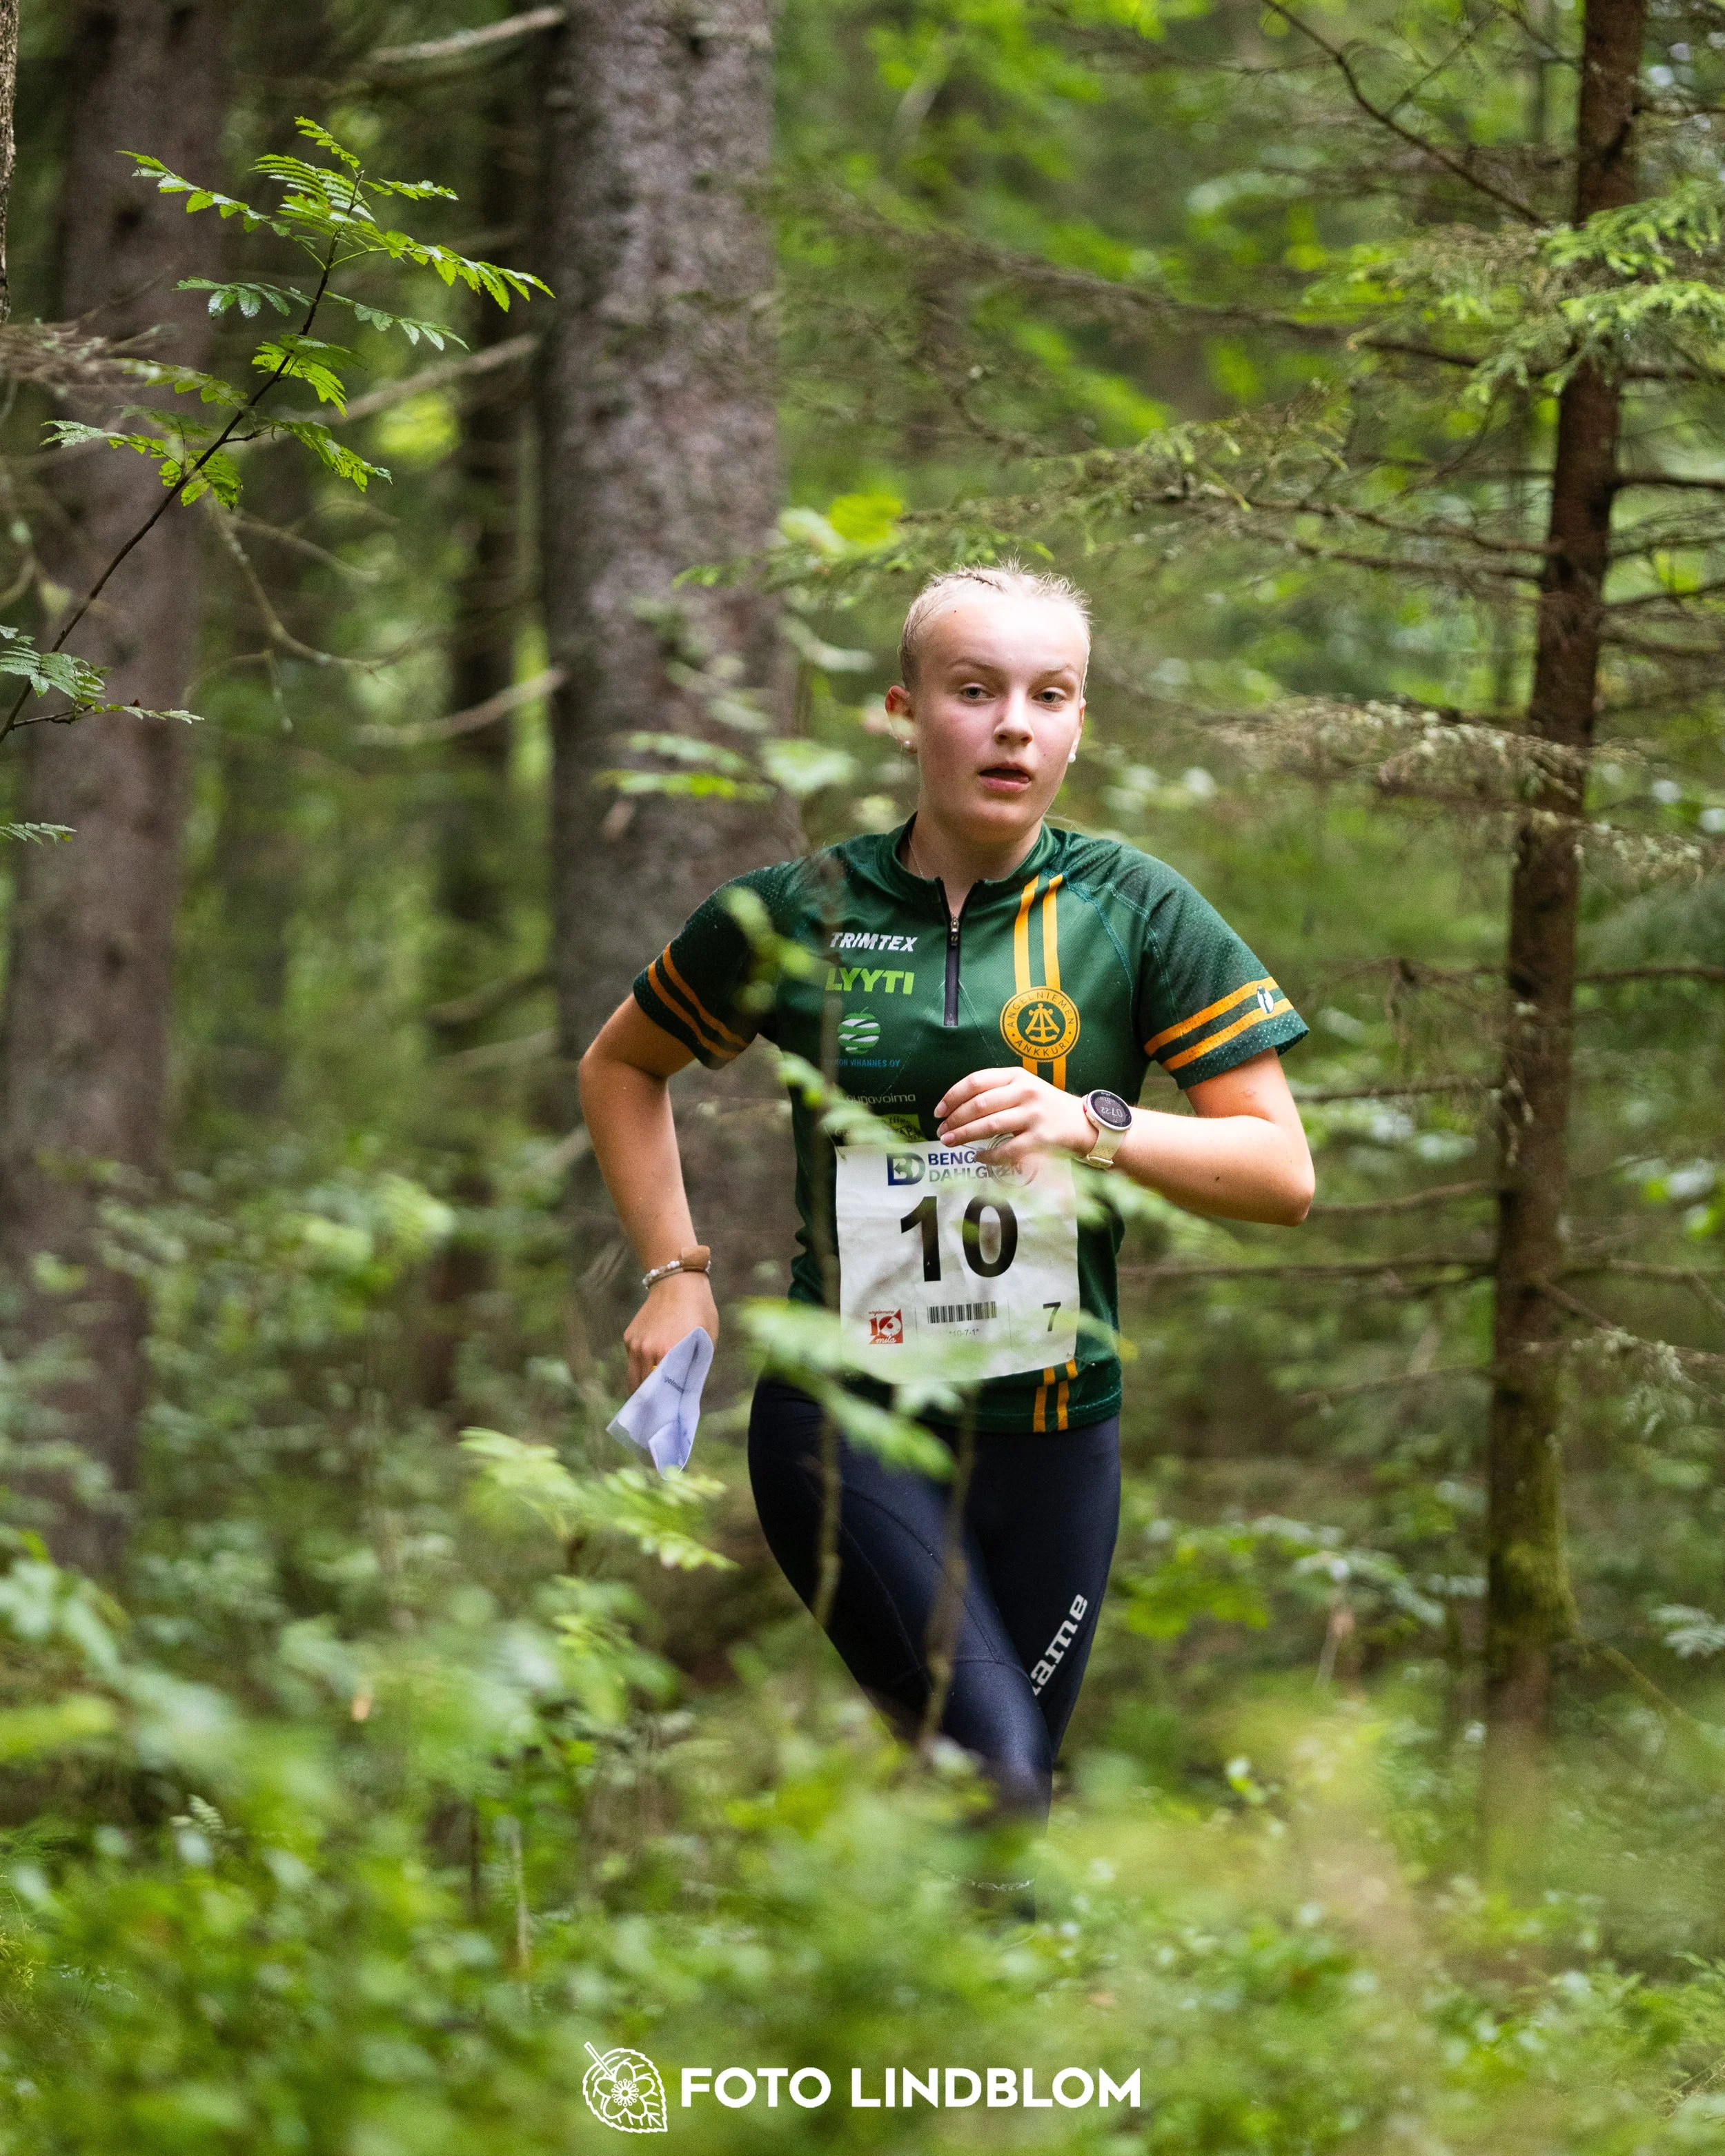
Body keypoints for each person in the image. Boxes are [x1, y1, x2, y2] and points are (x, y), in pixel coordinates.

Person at [578, 563, 1314, 1892]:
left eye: (1051, 696)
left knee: (987, 1821)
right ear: (904, 712)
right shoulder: (797, 909)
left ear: (1081, 724)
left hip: (1055, 1435)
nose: (1014, 725)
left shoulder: (1136, 912)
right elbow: (622, 1066)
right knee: (997, 1785)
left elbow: (1280, 1171)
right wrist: (677, 1271)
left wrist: (1094, 1122)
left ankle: (914, 2077)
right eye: (975, 693)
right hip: (846, 1424)